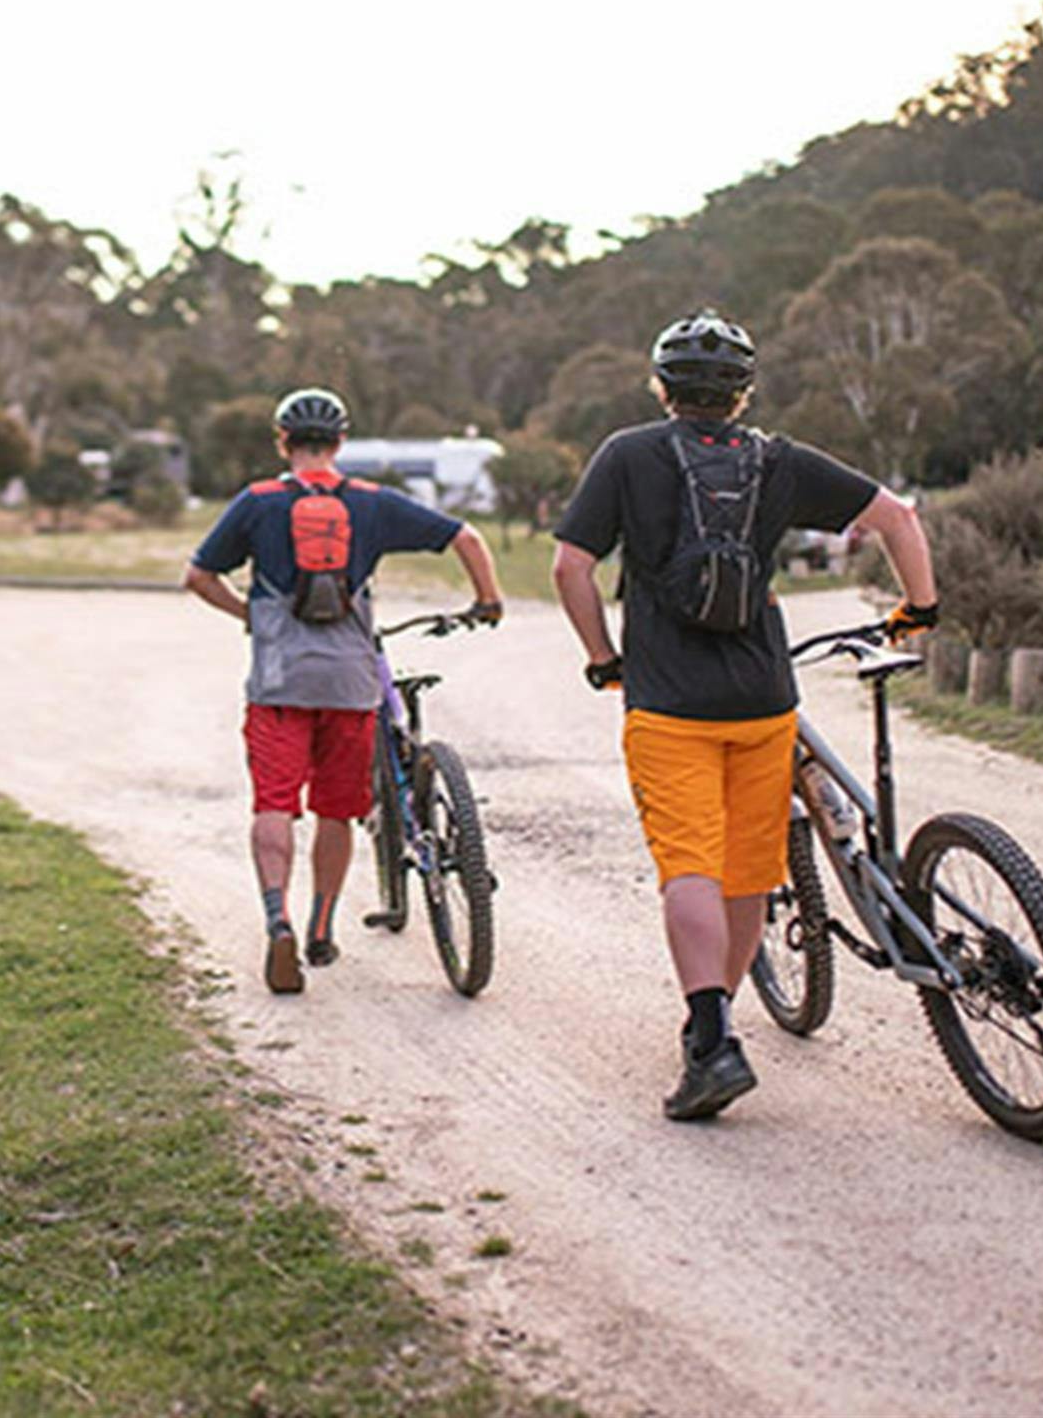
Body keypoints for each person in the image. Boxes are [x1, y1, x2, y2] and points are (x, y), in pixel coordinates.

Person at [550, 311, 938, 1121]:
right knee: (749, 871)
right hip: (765, 702)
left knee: (689, 863)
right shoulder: (779, 460)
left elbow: (571, 566)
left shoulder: (627, 455)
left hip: (667, 701)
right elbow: (899, 515)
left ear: (661, 388)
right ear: (743, 391)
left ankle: (712, 1038)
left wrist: (602, 657)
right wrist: (917, 611)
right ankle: (715, 1024)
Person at [183, 388, 506, 994]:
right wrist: (487, 600)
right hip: (352, 688)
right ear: (340, 443)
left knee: (274, 805)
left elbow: (197, 576)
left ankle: (277, 919)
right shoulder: (372, 504)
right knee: (337, 809)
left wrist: (247, 614)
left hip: (279, 684)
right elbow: (467, 537)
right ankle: (321, 926)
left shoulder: (258, 502)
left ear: (282, 442)